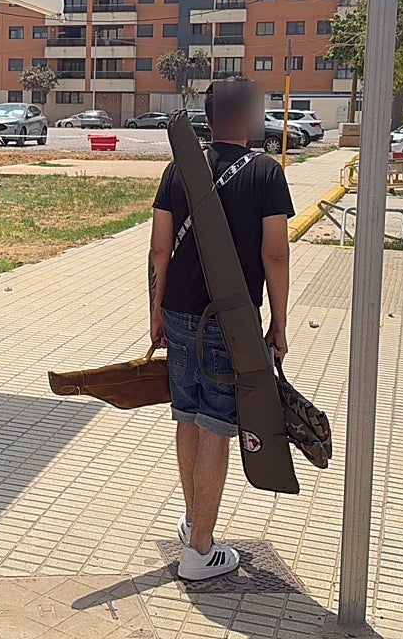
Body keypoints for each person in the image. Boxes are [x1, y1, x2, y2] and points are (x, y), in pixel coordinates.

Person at [148, 79, 294, 581]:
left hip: (181, 315)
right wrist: (277, 321)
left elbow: (158, 248)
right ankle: (201, 550)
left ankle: (194, 526)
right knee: (216, 424)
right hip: (229, 323)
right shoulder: (266, 173)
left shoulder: (177, 170)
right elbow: (274, 253)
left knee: (188, 418)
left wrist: (156, 309)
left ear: (209, 120)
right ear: (249, 120)